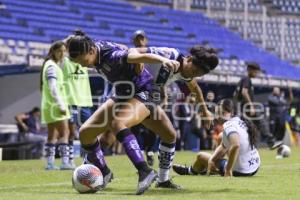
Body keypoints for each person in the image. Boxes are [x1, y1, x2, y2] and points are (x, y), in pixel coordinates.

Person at [67, 31, 217, 194]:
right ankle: (103, 170)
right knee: (87, 133)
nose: (82, 65)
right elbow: (133, 52)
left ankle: (154, 175)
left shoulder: (108, 55)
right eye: (194, 71)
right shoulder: (170, 55)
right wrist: (159, 61)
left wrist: (204, 110)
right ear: (189, 59)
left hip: (145, 92)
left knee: (125, 126)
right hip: (127, 90)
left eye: (82, 61)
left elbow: (194, 87)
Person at [173, 99, 260, 177]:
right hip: (255, 167)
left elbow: (236, 145)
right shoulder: (240, 121)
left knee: (200, 156)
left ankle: (191, 171)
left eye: (220, 113)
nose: (217, 117)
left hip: (241, 171)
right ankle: (206, 168)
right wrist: (212, 159)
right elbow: (223, 146)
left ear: (228, 112)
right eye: (216, 113)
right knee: (221, 137)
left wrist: (228, 170)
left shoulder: (229, 125)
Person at [62, 35, 94, 168]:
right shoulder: (65, 61)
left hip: (85, 101)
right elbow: (60, 48)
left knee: (90, 131)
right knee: (70, 132)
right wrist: (69, 39)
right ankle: (69, 159)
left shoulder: (84, 58)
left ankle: (88, 158)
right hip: (71, 100)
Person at [40, 41, 73, 170]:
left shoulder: (50, 65)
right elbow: (53, 88)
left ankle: (50, 163)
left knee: (52, 135)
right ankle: (65, 162)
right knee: (65, 132)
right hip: (55, 105)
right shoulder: (52, 66)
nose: (62, 54)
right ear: (53, 51)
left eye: (64, 51)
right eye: (60, 51)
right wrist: (61, 105)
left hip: (49, 105)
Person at [233, 62, 281, 149]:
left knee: (252, 127)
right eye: (255, 72)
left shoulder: (242, 80)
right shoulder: (246, 80)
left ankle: (252, 146)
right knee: (261, 122)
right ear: (249, 70)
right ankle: (270, 142)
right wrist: (251, 106)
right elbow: (244, 92)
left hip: (243, 108)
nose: (257, 74)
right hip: (247, 107)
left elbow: (235, 95)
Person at [131, 30, 157, 166]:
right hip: (134, 93)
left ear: (146, 40)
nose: (140, 41)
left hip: (151, 93)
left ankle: (150, 151)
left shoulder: (153, 56)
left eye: (142, 39)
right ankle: (139, 154)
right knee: (134, 126)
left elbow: (158, 79)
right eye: (137, 39)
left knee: (152, 127)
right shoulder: (131, 54)